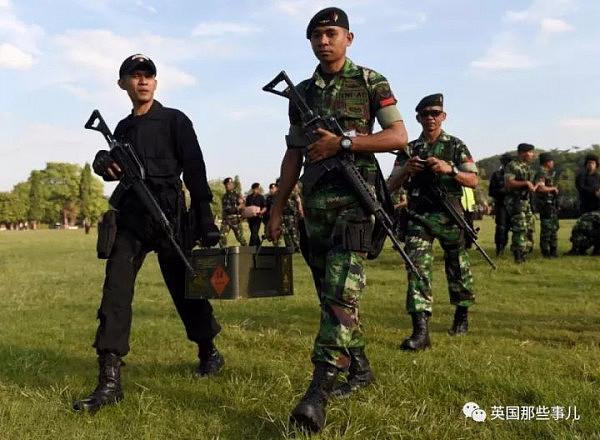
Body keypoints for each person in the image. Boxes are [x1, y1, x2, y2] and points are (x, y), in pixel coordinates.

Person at [266, 7, 407, 433]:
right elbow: (293, 153)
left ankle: (317, 392)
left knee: (341, 297)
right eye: (316, 35)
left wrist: (343, 142)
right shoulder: (301, 92)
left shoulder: (369, 81)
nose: (323, 41)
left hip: (355, 204)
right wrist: (278, 207)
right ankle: (360, 369)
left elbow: (398, 136)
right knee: (332, 297)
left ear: (349, 38)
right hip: (316, 208)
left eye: (331, 33)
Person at [73, 54, 224, 414]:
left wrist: (205, 221)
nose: (142, 81)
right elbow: (114, 169)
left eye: (148, 76)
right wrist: (102, 163)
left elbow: (196, 171)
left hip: (170, 217)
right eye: (134, 76)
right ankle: (110, 380)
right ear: (122, 83)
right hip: (131, 220)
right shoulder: (122, 129)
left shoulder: (175, 120)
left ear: (155, 83)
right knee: (115, 293)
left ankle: (208, 352)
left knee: (186, 292)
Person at [388, 93, 479, 352]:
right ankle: (420, 331)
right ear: (417, 118)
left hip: (450, 215)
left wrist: (449, 169)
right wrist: (408, 170)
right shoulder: (409, 149)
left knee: (458, 266)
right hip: (419, 216)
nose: (431, 118)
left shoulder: (455, 145)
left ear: (443, 116)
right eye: (425, 114)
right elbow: (391, 185)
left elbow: (473, 180)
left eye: (435, 113)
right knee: (417, 268)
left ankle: (461, 315)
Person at [504, 143, 538, 263]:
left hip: (526, 201)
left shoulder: (527, 167)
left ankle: (525, 251)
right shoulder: (512, 165)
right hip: (515, 201)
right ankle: (518, 254)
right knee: (520, 227)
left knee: (529, 227)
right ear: (522, 153)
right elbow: (509, 182)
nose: (532, 155)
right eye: (530, 152)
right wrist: (525, 183)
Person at [568, 153, 600, 255]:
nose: (591, 165)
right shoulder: (581, 176)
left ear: (596, 165)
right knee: (582, 228)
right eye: (589, 163)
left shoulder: (598, 177)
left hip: (597, 207)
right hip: (586, 207)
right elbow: (581, 188)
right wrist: (594, 192)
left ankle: (597, 249)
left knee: (597, 230)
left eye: (593, 163)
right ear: (586, 164)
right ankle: (578, 248)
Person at [534, 152, 560, 258]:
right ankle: (546, 251)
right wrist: (553, 189)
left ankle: (553, 250)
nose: (553, 163)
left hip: (551, 204)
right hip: (545, 204)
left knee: (553, 228)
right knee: (547, 228)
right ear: (547, 162)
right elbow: (540, 188)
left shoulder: (548, 173)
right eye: (551, 161)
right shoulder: (541, 173)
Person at [488, 153, 513, 256]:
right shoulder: (497, 175)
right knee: (501, 228)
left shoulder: (517, 174)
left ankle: (520, 251)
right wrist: (502, 191)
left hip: (516, 205)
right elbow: (491, 192)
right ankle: (500, 249)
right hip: (502, 205)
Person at [219, 177, 247, 246]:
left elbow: (243, 205)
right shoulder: (224, 197)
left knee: (240, 238)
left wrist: (241, 205)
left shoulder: (237, 195)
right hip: (227, 220)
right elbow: (227, 209)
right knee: (221, 236)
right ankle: (224, 253)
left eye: (230, 184)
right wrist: (238, 207)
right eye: (227, 184)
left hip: (236, 220)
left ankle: (247, 251)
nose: (228, 185)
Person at [281, 183, 304, 252]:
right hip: (283, 215)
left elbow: (298, 201)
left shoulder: (293, 193)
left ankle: (297, 247)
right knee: (285, 232)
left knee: (294, 232)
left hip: (292, 216)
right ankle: (289, 247)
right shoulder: (280, 193)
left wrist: (300, 210)